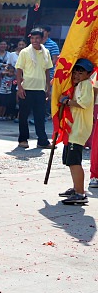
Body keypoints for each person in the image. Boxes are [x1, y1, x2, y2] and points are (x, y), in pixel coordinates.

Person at [55, 59, 94, 205]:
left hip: (79, 129)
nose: (77, 74)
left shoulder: (86, 85)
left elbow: (83, 103)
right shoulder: (77, 85)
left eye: (81, 72)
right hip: (72, 128)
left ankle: (80, 193)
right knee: (69, 160)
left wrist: (66, 101)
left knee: (74, 161)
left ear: (88, 74)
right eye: (75, 71)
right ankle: (76, 188)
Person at [15, 28, 53, 149]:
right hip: (27, 87)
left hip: (40, 88)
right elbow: (19, 69)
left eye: (37, 38)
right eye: (32, 38)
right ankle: (23, 139)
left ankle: (42, 140)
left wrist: (48, 87)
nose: (34, 40)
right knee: (24, 115)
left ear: (42, 39)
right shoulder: (25, 52)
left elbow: (47, 70)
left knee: (40, 116)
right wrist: (19, 87)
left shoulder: (46, 52)